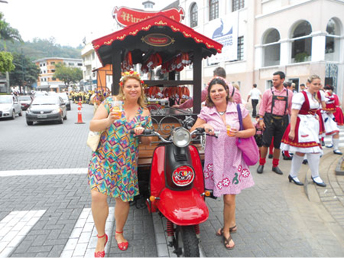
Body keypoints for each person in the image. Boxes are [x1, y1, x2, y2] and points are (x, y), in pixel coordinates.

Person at [88, 71, 153, 257]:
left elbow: (148, 141)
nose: (133, 89)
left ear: (141, 88)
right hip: (103, 158)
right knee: (98, 195)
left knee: (122, 199)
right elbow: (92, 125)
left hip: (126, 162)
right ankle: (101, 237)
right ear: (123, 88)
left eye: (136, 86)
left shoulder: (145, 112)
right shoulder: (110, 103)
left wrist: (143, 134)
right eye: (129, 86)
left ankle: (119, 233)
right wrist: (108, 121)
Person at [190, 77, 255, 250]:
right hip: (216, 160)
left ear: (227, 91)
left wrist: (238, 133)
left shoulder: (239, 109)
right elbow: (192, 132)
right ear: (209, 95)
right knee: (225, 197)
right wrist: (204, 128)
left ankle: (226, 231)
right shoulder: (206, 112)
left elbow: (252, 130)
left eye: (220, 90)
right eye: (213, 91)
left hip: (234, 160)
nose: (217, 93)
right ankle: (231, 223)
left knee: (228, 198)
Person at [280, 75, 326, 187]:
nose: (317, 86)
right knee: (313, 150)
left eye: (319, 84)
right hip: (302, 125)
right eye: (315, 84)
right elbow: (294, 113)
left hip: (312, 124)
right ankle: (315, 176)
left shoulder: (317, 95)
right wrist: (292, 130)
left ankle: (294, 175)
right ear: (308, 83)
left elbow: (322, 108)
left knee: (303, 151)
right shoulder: (300, 95)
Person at [257, 71, 293, 175]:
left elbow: (291, 109)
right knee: (266, 143)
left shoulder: (289, 93)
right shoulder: (268, 92)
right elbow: (262, 107)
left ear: (282, 80)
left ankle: (275, 166)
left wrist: (293, 123)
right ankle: (261, 164)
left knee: (278, 144)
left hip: (283, 120)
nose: (273, 81)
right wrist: (261, 120)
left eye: (276, 79)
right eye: (273, 79)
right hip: (269, 119)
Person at [172, 67, 242, 108]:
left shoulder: (211, 87)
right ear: (225, 76)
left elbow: (196, 99)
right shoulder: (235, 90)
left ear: (214, 75)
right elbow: (240, 108)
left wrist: (181, 106)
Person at [322, 84, 342, 155]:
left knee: (336, 131)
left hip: (328, 115)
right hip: (318, 116)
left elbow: (333, 106)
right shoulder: (319, 95)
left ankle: (335, 148)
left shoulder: (331, 96)